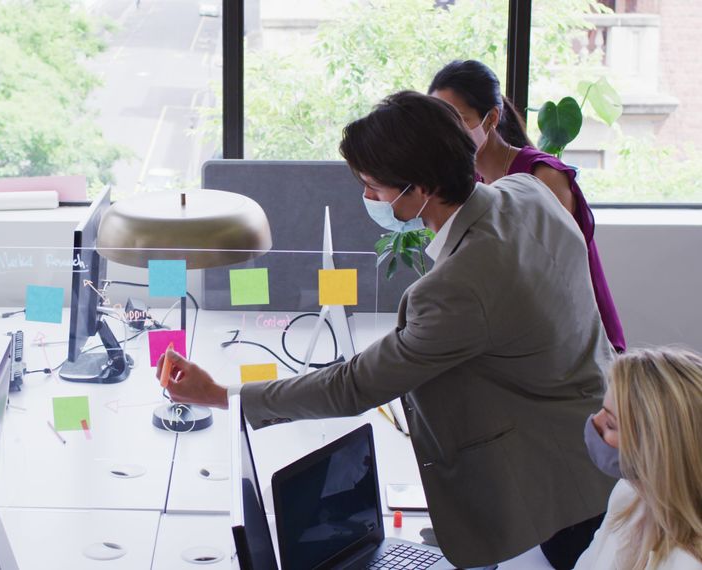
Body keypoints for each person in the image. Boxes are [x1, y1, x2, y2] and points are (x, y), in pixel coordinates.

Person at [159, 91, 616, 568]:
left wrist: (220, 394)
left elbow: (353, 384)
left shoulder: (458, 286)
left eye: (373, 186)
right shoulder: (528, 192)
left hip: (558, 495)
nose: (367, 197)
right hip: (601, 445)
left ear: (419, 189)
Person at [428, 59, 626, 353]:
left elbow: (550, 270)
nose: (447, 132)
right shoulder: (472, 180)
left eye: (459, 119)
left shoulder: (544, 175)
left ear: (492, 118)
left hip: (578, 337)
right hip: (531, 335)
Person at [576, 348, 702, 569]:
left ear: (657, 450)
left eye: (611, 424)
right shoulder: (629, 493)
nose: (594, 421)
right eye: (602, 409)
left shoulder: (686, 563)